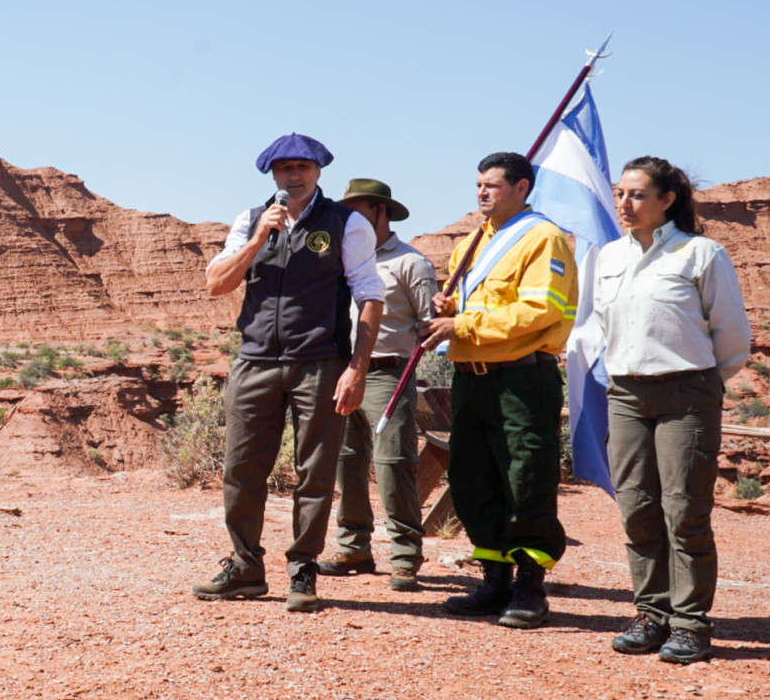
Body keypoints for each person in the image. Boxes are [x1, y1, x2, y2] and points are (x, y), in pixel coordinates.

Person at [195, 134, 385, 612]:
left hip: (320, 362)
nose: (293, 176)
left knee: (315, 473)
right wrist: (260, 237)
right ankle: (245, 567)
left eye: (302, 167)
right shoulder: (250, 220)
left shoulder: (347, 223)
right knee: (241, 470)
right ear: (272, 174)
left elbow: (370, 298)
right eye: (284, 169)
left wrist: (356, 369)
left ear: (319, 171)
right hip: (256, 361)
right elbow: (217, 284)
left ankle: (303, 570)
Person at [595, 157, 752, 664]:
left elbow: (730, 335)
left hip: (686, 393)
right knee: (637, 509)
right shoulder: (608, 256)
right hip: (625, 394)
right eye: (621, 194)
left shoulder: (701, 253)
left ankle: (690, 623)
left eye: (637, 195)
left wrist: (700, 382)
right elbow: (600, 324)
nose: (625, 203)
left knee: (683, 511)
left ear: (667, 200)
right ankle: (650, 613)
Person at [423, 151, 577, 629]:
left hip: (522, 379)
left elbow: (539, 311)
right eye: (478, 185)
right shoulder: (472, 242)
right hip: (471, 378)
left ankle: (530, 587)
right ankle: (494, 580)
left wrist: (462, 322)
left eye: (492, 185)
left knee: (526, 478)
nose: (482, 193)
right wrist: (448, 304)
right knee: (473, 477)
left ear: (521, 187)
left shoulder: (542, 239)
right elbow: (468, 304)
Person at [320, 179, 439, 591]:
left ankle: (405, 556)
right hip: (342, 371)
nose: (351, 216)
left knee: (393, 464)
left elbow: (430, 326)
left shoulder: (411, 263)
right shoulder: (343, 257)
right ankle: (354, 548)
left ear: (381, 211)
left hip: (389, 372)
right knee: (346, 460)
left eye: (360, 208)